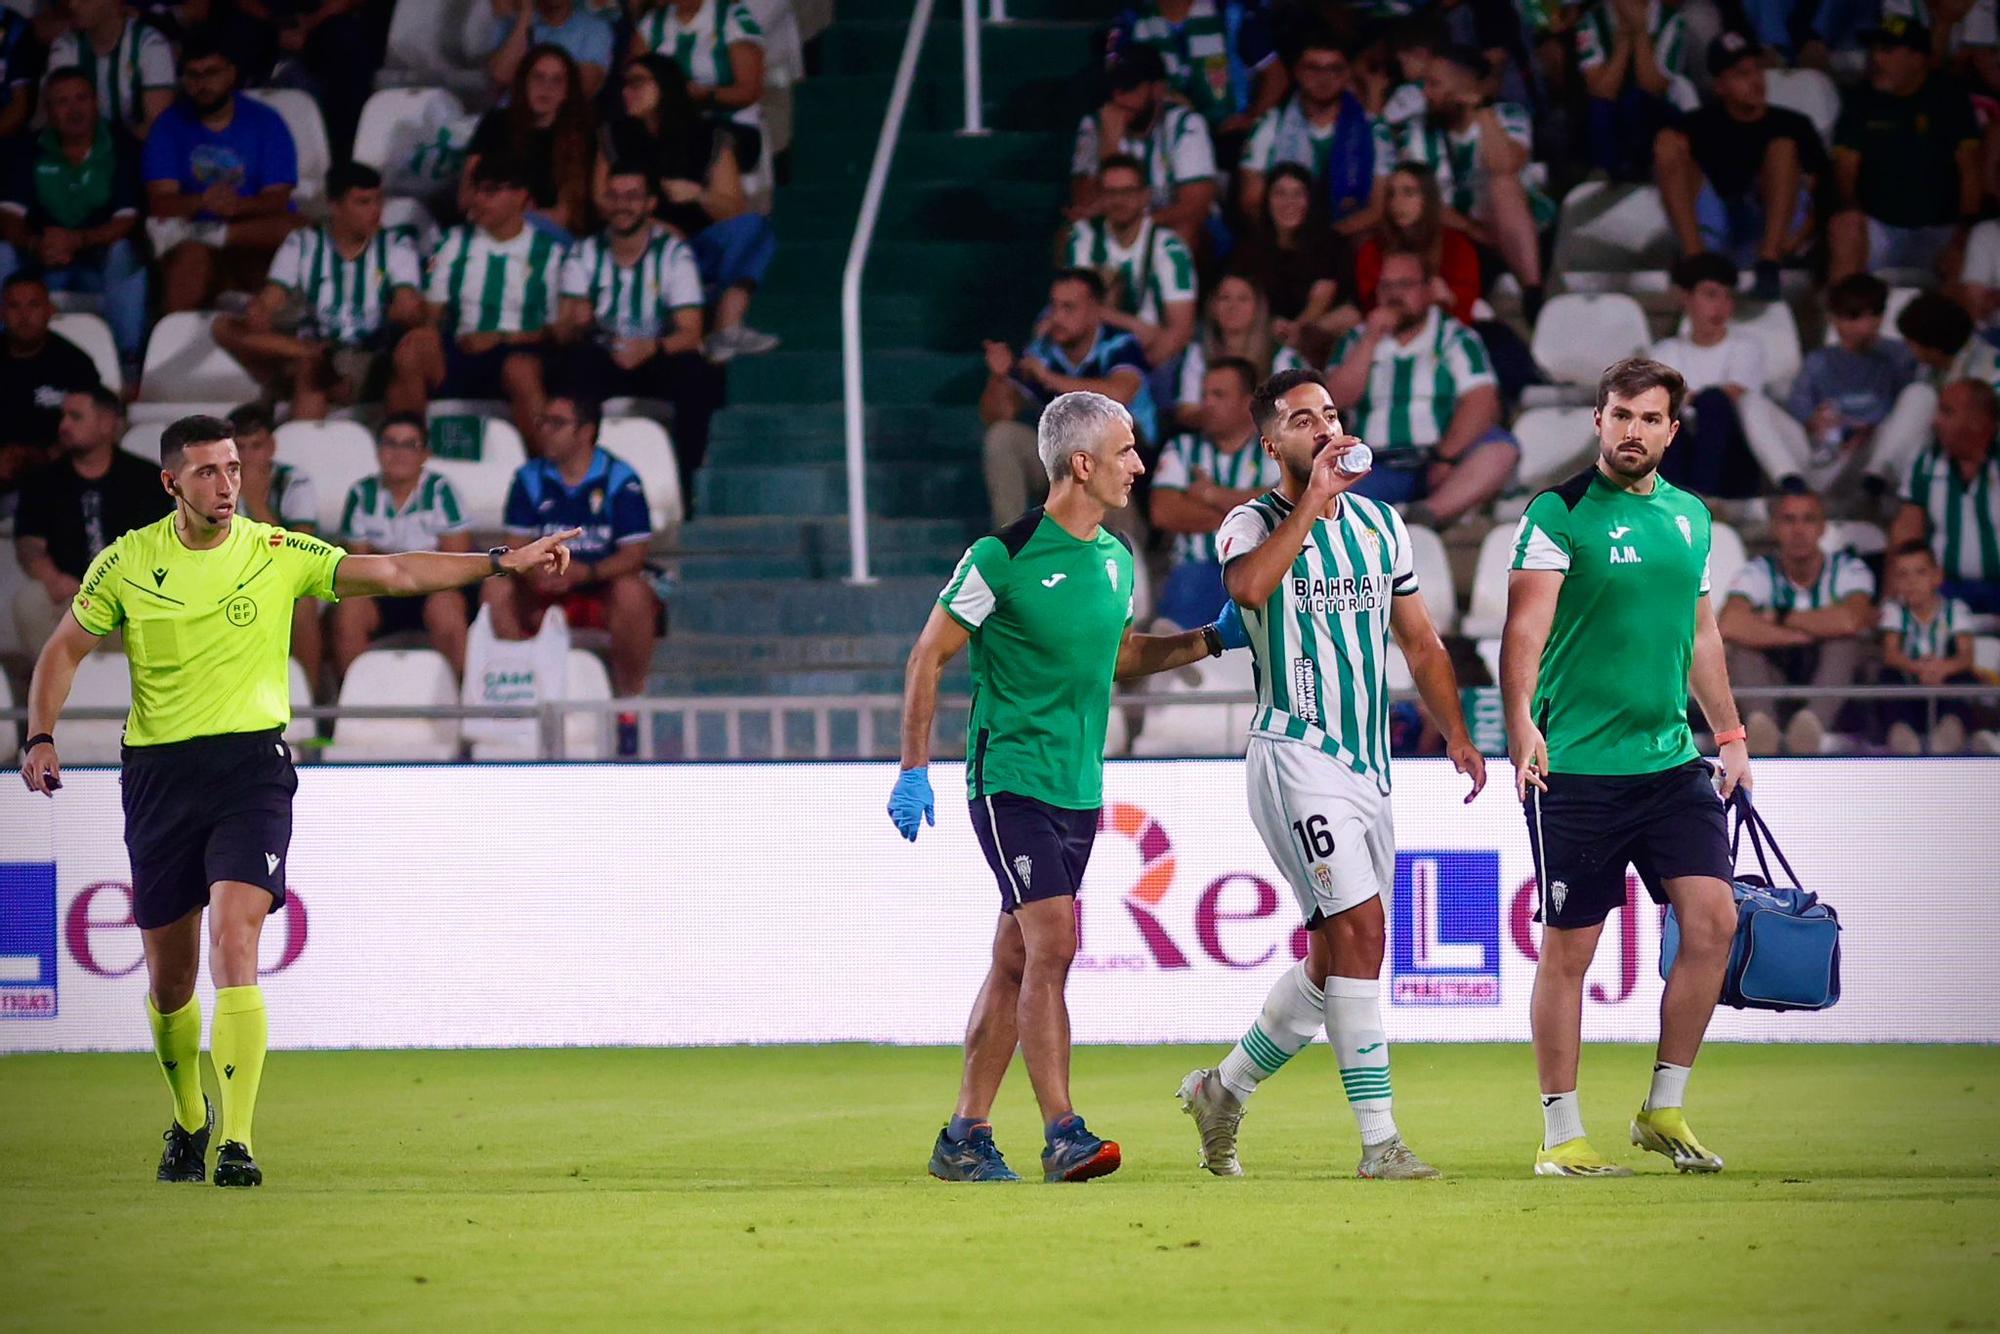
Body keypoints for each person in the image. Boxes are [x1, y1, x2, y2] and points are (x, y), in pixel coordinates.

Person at [19, 412, 580, 1189]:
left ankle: (238, 1141)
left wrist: (500, 561)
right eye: (209, 472)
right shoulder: (126, 563)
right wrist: (39, 735)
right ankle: (189, 1117)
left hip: (250, 768)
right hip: (157, 776)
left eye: (235, 469)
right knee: (169, 980)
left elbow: (391, 573)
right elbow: (63, 650)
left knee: (236, 940)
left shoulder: (275, 551)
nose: (227, 485)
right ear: (170, 482)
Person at [890, 390, 1247, 1184]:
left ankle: (964, 1137)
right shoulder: (1001, 557)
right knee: (1055, 943)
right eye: (1126, 452)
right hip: (1008, 778)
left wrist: (1209, 640)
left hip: (1079, 788)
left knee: (1017, 956)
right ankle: (1065, 1134)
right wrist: (914, 769)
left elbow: (1114, 659)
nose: (1140, 466)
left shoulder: (1118, 560)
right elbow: (928, 656)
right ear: (1081, 464)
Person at [1176, 368, 1484, 1181]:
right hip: (1294, 751)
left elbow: (1419, 641)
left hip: (1369, 763)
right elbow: (1246, 591)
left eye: (1333, 414)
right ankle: (1380, 1143)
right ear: (1271, 442)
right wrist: (1313, 499)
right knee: (1365, 932)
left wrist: (1456, 733)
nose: (1326, 428)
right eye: (1303, 419)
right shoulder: (1250, 522)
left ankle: (1224, 1088)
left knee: (1334, 958)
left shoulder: (1383, 526)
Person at [1501, 356, 1749, 1178]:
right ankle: (1560, 1131)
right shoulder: (1558, 511)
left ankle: (1663, 1109)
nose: (1632, 430)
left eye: (1648, 418)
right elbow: (1524, 635)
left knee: (1714, 922)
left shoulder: (1691, 518)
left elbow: (1702, 636)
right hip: (1575, 768)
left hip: (1671, 763)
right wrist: (1519, 728)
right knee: (1571, 951)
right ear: (1597, 421)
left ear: (1671, 431)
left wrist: (1732, 736)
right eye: (1619, 415)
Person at [489, 394, 656, 756]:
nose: (545, 431)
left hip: (597, 586)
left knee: (634, 593)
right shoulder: (528, 478)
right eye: (543, 422)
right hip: (543, 585)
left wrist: (585, 572)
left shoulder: (619, 478)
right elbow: (513, 547)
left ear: (586, 432)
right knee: (495, 591)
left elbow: (635, 554)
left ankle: (629, 706)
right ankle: (520, 704)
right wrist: (535, 575)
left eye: (557, 423)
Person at [213, 162, 427, 422]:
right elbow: (270, 300)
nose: (376, 211)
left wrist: (407, 310)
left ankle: (298, 418)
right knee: (224, 326)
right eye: (363, 202)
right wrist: (260, 311)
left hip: (368, 360)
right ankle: (306, 360)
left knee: (309, 369)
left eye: (378, 201)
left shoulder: (396, 245)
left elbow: (409, 305)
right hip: (311, 347)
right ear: (335, 206)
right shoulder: (302, 243)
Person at [596, 54, 776, 361]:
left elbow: (734, 209)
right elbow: (600, 200)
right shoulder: (614, 135)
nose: (627, 92)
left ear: (665, 86)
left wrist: (697, 195)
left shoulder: (707, 137)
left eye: (637, 82)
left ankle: (726, 327)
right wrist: (648, 225)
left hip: (696, 249)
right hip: (639, 245)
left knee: (754, 228)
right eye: (624, 85)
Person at [1323, 248, 1519, 528]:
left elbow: (1483, 402)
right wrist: (1369, 341)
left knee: (1501, 449)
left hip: (1439, 462)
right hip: (1374, 465)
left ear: (1429, 290)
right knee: (1320, 486)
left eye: (1405, 285)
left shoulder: (1456, 337)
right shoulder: (1355, 340)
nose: (1394, 295)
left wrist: (1445, 457)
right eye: (1386, 286)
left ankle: (1427, 515)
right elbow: (1336, 400)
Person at [555, 164, 718, 499]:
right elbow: (562, 330)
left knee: (694, 371)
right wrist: (576, 323)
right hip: (602, 357)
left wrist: (651, 348)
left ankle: (687, 484)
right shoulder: (583, 253)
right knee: (573, 364)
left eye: (632, 197)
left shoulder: (673, 253)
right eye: (614, 196)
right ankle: (573, 483)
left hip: (655, 357)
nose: (622, 205)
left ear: (650, 203)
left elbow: (691, 331)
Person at [397, 154, 566, 443]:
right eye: (476, 190)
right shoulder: (452, 243)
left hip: (520, 352)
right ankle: (410, 453)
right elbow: (433, 317)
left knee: (520, 370)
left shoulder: (548, 252)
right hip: (463, 350)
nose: (477, 200)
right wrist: (416, 316)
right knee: (413, 347)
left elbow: (556, 333)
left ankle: (546, 471)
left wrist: (500, 338)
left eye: (490, 192)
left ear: (519, 196)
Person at [1653, 32, 1825, 299]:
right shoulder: (1698, 124)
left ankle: (1768, 265)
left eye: (1757, 70)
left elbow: (1823, 194)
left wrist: (1795, 241)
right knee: (1667, 143)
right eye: (1741, 74)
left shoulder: (1794, 124)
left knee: (1782, 147)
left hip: (1774, 235)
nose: (1755, 81)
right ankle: (1696, 264)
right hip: (1718, 230)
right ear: (1720, 86)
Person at [0, 69, 148, 379]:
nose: (74, 109)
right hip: (42, 266)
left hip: (99, 264)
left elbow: (126, 221)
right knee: (3, 253)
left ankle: (129, 365)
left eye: (81, 98)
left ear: (96, 102)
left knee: (124, 252)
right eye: (62, 102)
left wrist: (78, 240)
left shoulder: (123, 146)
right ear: (48, 111)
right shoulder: (27, 149)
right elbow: (9, 218)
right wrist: (36, 244)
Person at [143, 31, 301, 314]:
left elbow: (277, 199)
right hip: (193, 236)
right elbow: (160, 200)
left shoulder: (266, 122)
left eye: (211, 73)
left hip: (253, 230)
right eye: (193, 75)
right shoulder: (168, 126)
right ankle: (170, 347)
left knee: (297, 229)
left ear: (230, 74)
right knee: (191, 256)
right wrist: (202, 202)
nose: (202, 84)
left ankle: (215, 234)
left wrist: (238, 206)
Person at [980, 268, 1151, 529]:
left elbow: (1120, 392)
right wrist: (999, 377)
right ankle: (1011, 552)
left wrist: (1049, 379)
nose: (1057, 317)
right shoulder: (1043, 350)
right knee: (1003, 437)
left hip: (1125, 470)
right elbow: (997, 415)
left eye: (1068, 308)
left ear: (1095, 310)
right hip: (1066, 463)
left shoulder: (1120, 344)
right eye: (1054, 306)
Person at [1396, 44, 1551, 319]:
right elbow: (1422, 198)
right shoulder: (1417, 131)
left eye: (1435, 84)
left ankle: (1532, 292)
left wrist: (1481, 110)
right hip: (1460, 234)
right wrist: (1471, 228)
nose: (1426, 93)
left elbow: (1505, 164)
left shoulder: (1508, 116)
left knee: (1502, 183)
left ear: (1463, 87)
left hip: (1522, 233)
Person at [1720, 482, 1875, 756]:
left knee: (1844, 644)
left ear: (1823, 527)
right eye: (1789, 520)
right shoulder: (1759, 571)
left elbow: (1852, 620)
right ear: (1774, 528)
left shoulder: (1848, 568)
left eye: (1808, 519)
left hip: (1829, 679)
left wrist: (1778, 617)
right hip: (1778, 672)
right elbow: (1730, 623)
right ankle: (1760, 726)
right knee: (1742, 648)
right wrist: (1808, 631)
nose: (1799, 530)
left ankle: (1812, 726)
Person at [13, 385, 170, 650]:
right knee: (30, 601)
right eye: (62, 417)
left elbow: (164, 548)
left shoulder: (144, 479)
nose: (63, 426)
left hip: (129, 596)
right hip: (68, 596)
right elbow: (29, 545)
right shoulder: (43, 481)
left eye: (75, 417)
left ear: (107, 424)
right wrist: (52, 579)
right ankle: (52, 684)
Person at [1829, 16, 1981, 281]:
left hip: (1940, 227)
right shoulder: (1860, 99)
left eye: (1887, 51)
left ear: (1917, 58)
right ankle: (1845, 316)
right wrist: (1852, 211)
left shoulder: (1949, 98)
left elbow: (1970, 168)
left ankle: (1956, 322)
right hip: (1880, 226)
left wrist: (1967, 226)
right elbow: (1845, 169)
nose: (1876, 58)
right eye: (1874, 49)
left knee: (1973, 241)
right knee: (1846, 226)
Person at [330, 412, 475, 680]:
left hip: (432, 589)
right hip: (382, 591)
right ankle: (351, 707)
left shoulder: (442, 490)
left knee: (447, 608)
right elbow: (357, 567)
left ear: (425, 455)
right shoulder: (361, 494)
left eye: (410, 445)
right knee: (349, 609)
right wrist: (416, 561)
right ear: (378, 450)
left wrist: (389, 559)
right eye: (390, 443)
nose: (398, 453)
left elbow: (457, 559)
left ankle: (458, 701)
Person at [1063, 154, 1198, 413]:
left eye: (1128, 191)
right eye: (1111, 192)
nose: (1120, 200)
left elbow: (1179, 332)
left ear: (1145, 196)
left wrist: (1134, 371)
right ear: (1100, 196)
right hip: (1093, 352)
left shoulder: (1169, 248)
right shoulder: (1083, 239)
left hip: (1153, 357)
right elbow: (1072, 309)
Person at [1149, 357, 1278, 628]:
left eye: (1218, 395)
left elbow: (1285, 509)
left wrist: (1211, 494)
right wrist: (1250, 513)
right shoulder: (1182, 447)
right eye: (1204, 394)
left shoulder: (1275, 449)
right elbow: (1164, 512)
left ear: (1248, 403)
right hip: (1195, 573)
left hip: (1260, 573)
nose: (1206, 403)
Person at [1235, 33, 1395, 235]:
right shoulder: (1270, 125)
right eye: (1313, 68)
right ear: (1297, 72)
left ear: (1347, 74)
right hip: (1283, 241)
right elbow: (1251, 202)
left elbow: (1378, 209)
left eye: (1334, 69)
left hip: (1350, 243)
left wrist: (1325, 242)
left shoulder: (1374, 130)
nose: (1324, 78)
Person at [1069, 46, 1218, 247]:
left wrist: (1136, 224)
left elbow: (1194, 206)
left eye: (1128, 88)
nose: (1117, 97)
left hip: (1166, 225)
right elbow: (1083, 204)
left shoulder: (1185, 123)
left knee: (1184, 231)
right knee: (1069, 234)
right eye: (1112, 87)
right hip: (1117, 229)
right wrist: (1109, 148)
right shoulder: (1094, 124)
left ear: (1157, 90)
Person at [1650, 251, 1769, 496]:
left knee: (1713, 403)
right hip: (1681, 451)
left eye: (1728, 297)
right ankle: (1674, 499)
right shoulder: (1665, 352)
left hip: (1732, 457)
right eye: (1711, 295)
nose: (1721, 306)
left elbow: (1733, 395)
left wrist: (1688, 398)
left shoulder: (1746, 347)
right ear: (1687, 297)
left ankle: (1701, 496)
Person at [227, 403, 327, 691]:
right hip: (227, 576)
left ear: (271, 447)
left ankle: (312, 701)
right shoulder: (208, 483)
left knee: (303, 604)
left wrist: (256, 502)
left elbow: (300, 551)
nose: (246, 457)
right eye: (239, 447)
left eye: (255, 446)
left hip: (284, 577)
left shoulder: (294, 481)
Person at [1785, 274, 1918, 486]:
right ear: (1833, 318)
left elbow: (1909, 409)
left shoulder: (1900, 355)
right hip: (1830, 447)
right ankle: (1791, 483)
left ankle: (1874, 479)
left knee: (1920, 395)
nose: (1867, 323)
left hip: (1877, 450)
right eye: (1855, 315)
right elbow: (1797, 405)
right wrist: (1814, 419)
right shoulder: (1819, 360)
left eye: (1875, 313)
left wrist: (1870, 428)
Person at [463, 43, 596, 242]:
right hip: (493, 226)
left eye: (557, 81)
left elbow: (566, 216)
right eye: (538, 77)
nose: (546, 88)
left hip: (548, 236)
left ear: (567, 91)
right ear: (524, 82)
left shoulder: (580, 135)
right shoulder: (496, 124)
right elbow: (466, 195)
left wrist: (517, 215)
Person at [1888, 378, 2000, 613]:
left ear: (1978, 421)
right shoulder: (1925, 466)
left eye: (1947, 413)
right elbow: (1907, 530)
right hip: (1944, 589)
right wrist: (1893, 598)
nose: (1936, 421)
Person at [1232, 162, 1357, 367]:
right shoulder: (1249, 250)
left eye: (1298, 194)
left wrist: (1298, 328)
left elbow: (1325, 297)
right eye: (1279, 194)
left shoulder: (1332, 244)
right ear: (1267, 200)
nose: (1288, 203)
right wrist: (1271, 323)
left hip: (1317, 336)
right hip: (1265, 335)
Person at [1107, 0, 1286, 141]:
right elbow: (1115, 81)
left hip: (1227, 138)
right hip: (1162, 134)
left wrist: (1250, 120)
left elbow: (1276, 76)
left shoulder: (1230, 12)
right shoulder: (1132, 19)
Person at [1876, 540, 1982, 753]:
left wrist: (1941, 669)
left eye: (1920, 573)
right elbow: (1891, 653)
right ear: (1894, 582)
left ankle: (1951, 730)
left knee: (1966, 679)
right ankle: (1901, 733)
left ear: (1937, 577)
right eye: (1903, 575)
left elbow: (1965, 656)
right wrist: (1919, 668)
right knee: (1887, 677)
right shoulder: (1894, 610)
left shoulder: (1955, 610)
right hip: (1911, 689)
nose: (1911, 582)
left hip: (1943, 686)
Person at [1172, 272, 1306, 431]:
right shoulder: (1198, 353)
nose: (1232, 306)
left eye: (1243, 299)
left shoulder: (1282, 357)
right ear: (1213, 306)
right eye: (1224, 298)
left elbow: (1299, 412)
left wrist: (1231, 416)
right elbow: (1186, 412)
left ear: (1258, 307)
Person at [1575, 0, 1692, 181]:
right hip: (1611, 115)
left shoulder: (1671, 20)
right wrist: (1623, 39)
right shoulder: (1590, 21)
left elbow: (1653, 86)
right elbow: (1602, 91)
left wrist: (1640, 32)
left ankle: (1646, 174)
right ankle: (1606, 180)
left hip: (1657, 114)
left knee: (1635, 100)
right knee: (1598, 108)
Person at [631, 0, 766, 156]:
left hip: (730, 125)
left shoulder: (732, 17)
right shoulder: (651, 23)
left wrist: (707, 95)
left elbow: (750, 91)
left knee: (684, 145)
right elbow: (634, 76)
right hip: (669, 124)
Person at [1354, 162, 1481, 325]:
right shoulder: (1372, 250)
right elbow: (1371, 306)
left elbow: (1464, 307)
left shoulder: (1457, 246)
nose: (1397, 202)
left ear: (1428, 198)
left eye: (1408, 193)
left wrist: (1447, 297)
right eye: (1391, 194)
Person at [0, 272, 101, 467]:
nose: (24, 315)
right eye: (14, 306)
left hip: (60, 469)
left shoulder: (76, 363)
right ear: (2, 313)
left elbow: (91, 424)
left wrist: (45, 456)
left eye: (33, 305)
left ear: (49, 310)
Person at [42, 0, 174, 139]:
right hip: (81, 150)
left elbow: (155, 126)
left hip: (135, 151)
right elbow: (59, 118)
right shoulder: (65, 46)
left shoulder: (150, 44)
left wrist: (110, 153)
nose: (73, 5)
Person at [489, 0, 616, 98]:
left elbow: (584, 86)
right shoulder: (512, 23)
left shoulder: (595, 28)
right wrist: (526, 14)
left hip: (563, 122)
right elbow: (501, 76)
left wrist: (522, 77)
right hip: (510, 117)